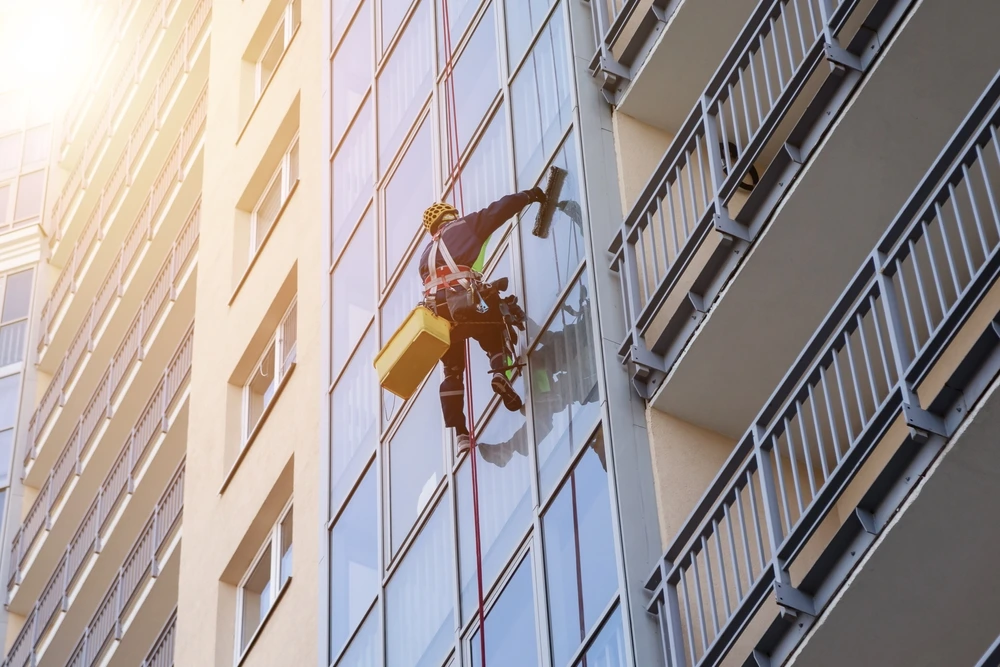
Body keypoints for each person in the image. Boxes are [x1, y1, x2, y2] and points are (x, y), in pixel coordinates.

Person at [419, 189, 546, 455]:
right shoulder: (463, 227)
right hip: (469, 304)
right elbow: (498, 210)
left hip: (441, 317)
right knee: (495, 317)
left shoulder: (425, 256)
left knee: (452, 372)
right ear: (450, 216)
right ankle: (500, 372)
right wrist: (529, 196)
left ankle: (461, 434)